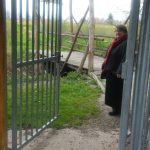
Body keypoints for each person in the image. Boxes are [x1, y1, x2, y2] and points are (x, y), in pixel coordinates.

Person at [101, 25, 128, 116]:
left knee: (116, 91)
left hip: (116, 72)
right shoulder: (117, 41)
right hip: (111, 70)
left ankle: (117, 109)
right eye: (116, 32)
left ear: (124, 32)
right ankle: (115, 108)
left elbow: (124, 58)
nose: (117, 33)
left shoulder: (126, 42)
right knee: (111, 91)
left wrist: (120, 70)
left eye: (119, 32)